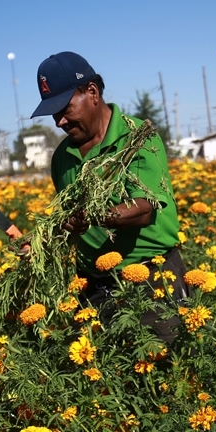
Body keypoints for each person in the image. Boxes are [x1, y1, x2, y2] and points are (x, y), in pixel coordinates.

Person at [30, 52, 188, 342]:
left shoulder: (137, 136)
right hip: (93, 290)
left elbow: (145, 209)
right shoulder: (62, 158)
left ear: (91, 92)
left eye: (64, 108)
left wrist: (92, 215)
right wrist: (42, 241)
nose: (59, 122)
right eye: (54, 113)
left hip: (151, 279)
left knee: (162, 369)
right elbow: (70, 221)